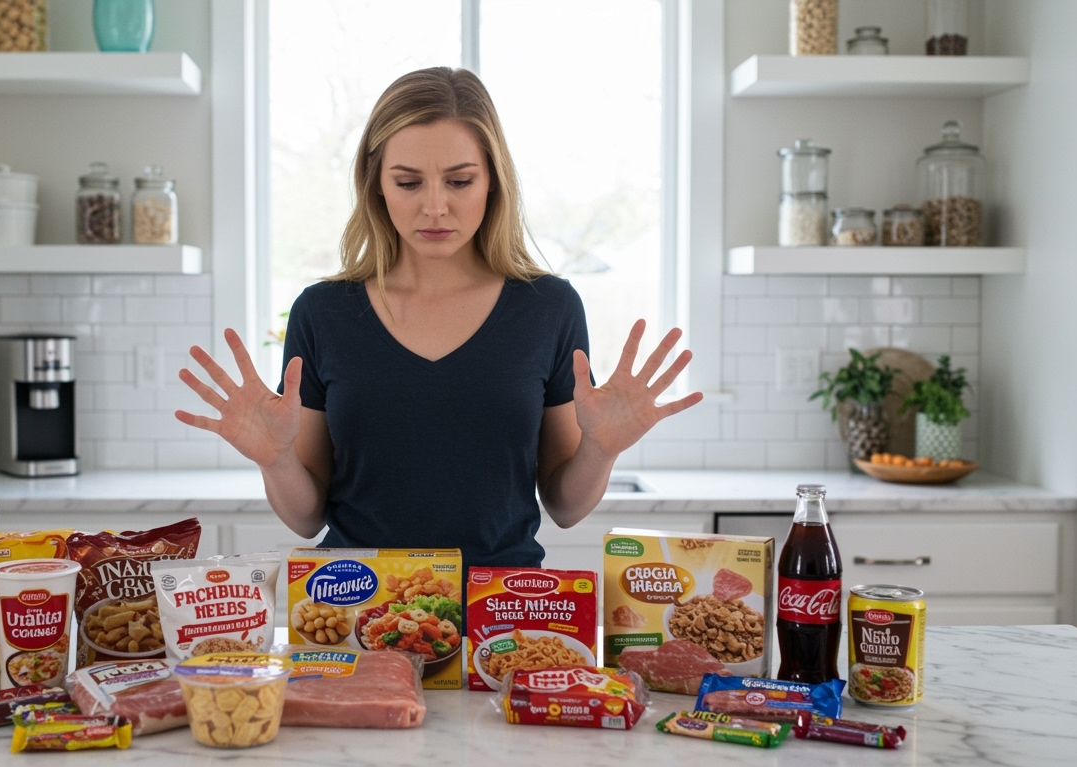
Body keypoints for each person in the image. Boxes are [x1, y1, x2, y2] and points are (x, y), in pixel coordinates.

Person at [175, 67, 702, 567]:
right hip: (356, 607)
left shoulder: (549, 307)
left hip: (504, 614)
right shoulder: (322, 312)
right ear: (376, 184)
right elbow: (306, 517)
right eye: (408, 183)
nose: (434, 208)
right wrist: (276, 460)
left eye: (458, 181)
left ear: (493, 181)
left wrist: (600, 450)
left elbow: (565, 507)